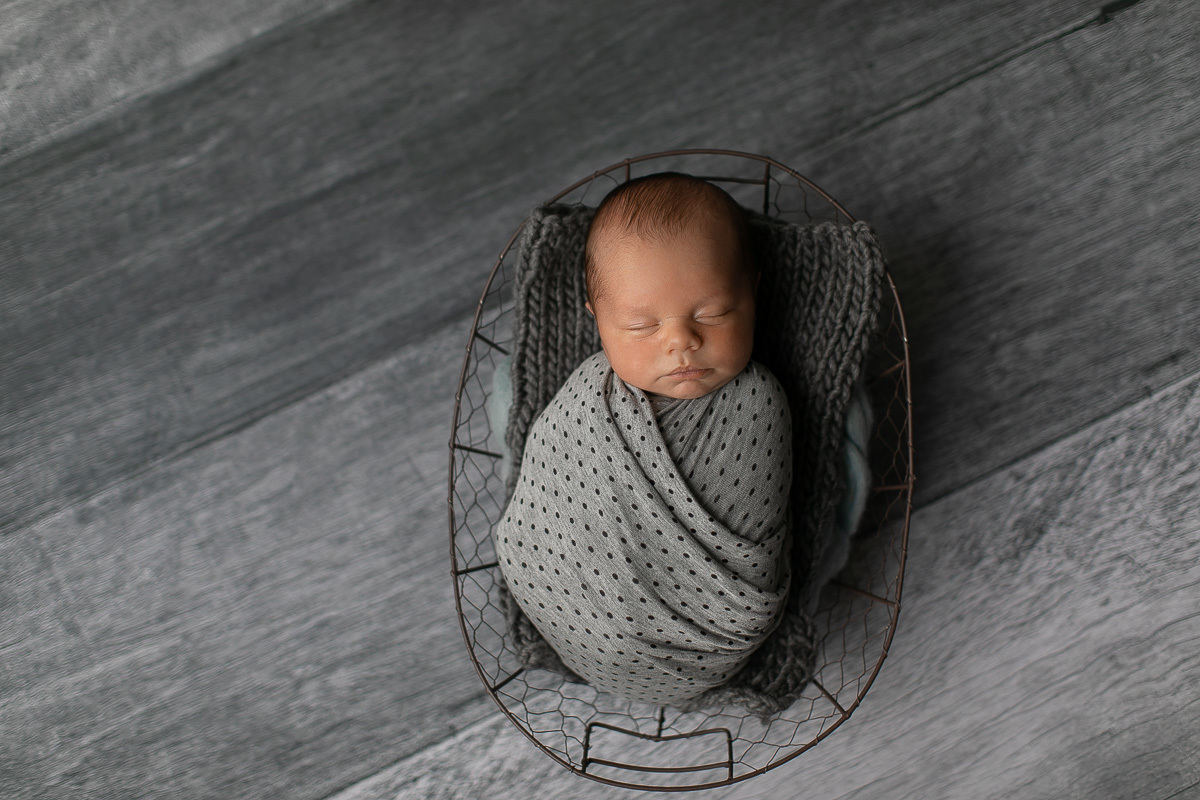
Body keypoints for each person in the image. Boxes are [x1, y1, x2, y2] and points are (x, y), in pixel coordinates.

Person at [495, 173, 793, 707]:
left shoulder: (758, 402)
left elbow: (756, 525)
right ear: (599, 322)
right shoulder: (589, 392)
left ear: (754, 292)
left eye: (712, 313)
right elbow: (546, 475)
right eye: (639, 326)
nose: (681, 340)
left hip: (706, 631)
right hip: (557, 590)